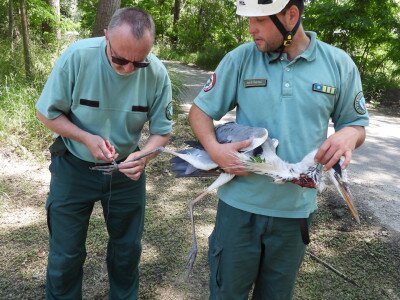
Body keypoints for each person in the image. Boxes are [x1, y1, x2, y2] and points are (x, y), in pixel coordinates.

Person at [189, 0, 369, 299]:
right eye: (249, 20)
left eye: (258, 20)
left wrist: (350, 135)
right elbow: (199, 112)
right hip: (239, 210)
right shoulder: (240, 59)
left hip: (294, 215)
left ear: (291, 16)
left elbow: (357, 125)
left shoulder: (338, 64)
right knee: (226, 293)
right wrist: (214, 149)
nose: (250, 28)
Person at [36, 7, 172, 299]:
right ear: (105, 36)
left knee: (127, 251)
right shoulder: (78, 57)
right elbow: (46, 113)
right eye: (120, 60)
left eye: (139, 63)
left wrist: (144, 156)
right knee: (66, 254)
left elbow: (162, 131)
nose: (128, 70)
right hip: (73, 167)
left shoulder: (158, 74)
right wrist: (85, 137)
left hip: (126, 173)